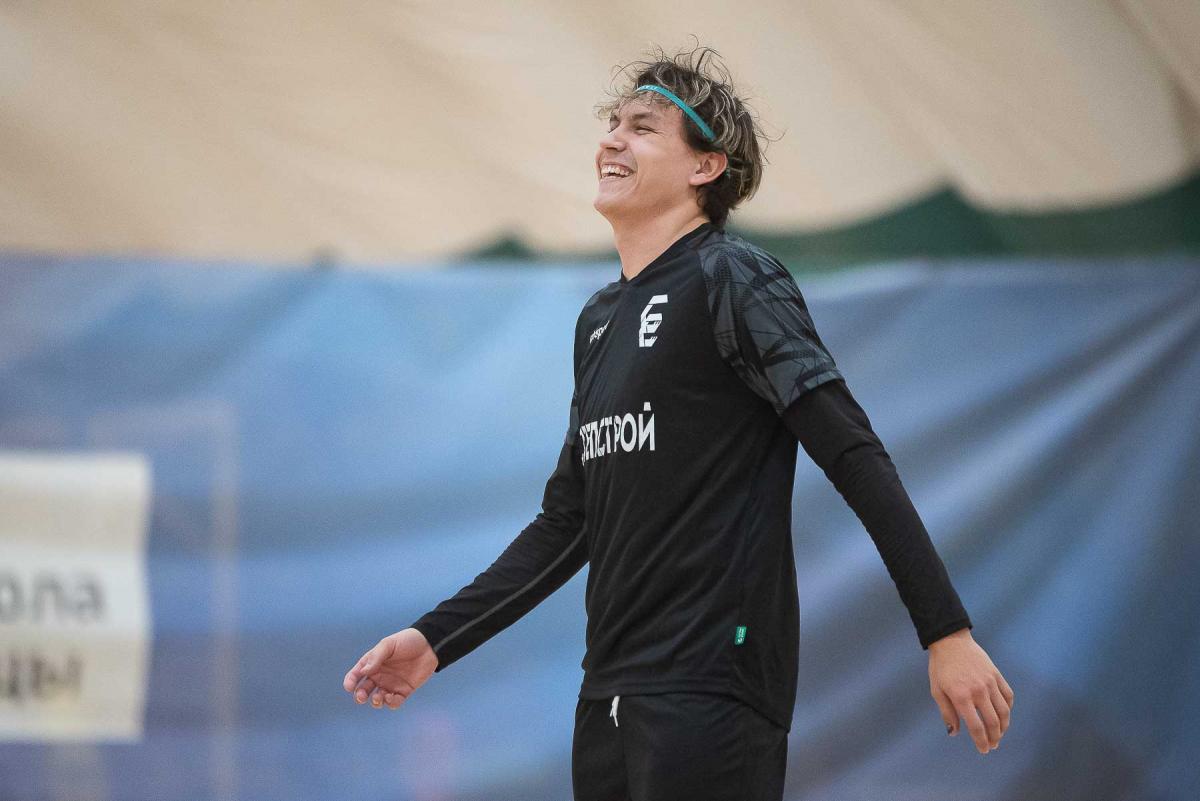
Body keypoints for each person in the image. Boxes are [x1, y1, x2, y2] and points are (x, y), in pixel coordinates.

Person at [343, 42, 1013, 800]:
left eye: (642, 128)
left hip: (711, 686)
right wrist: (436, 639)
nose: (612, 141)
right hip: (607, 695)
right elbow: (568, 522)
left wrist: (946, 631)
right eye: (612, 125)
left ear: (706, 166)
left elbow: (852, 452)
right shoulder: (598, 321)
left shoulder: (733, 276)